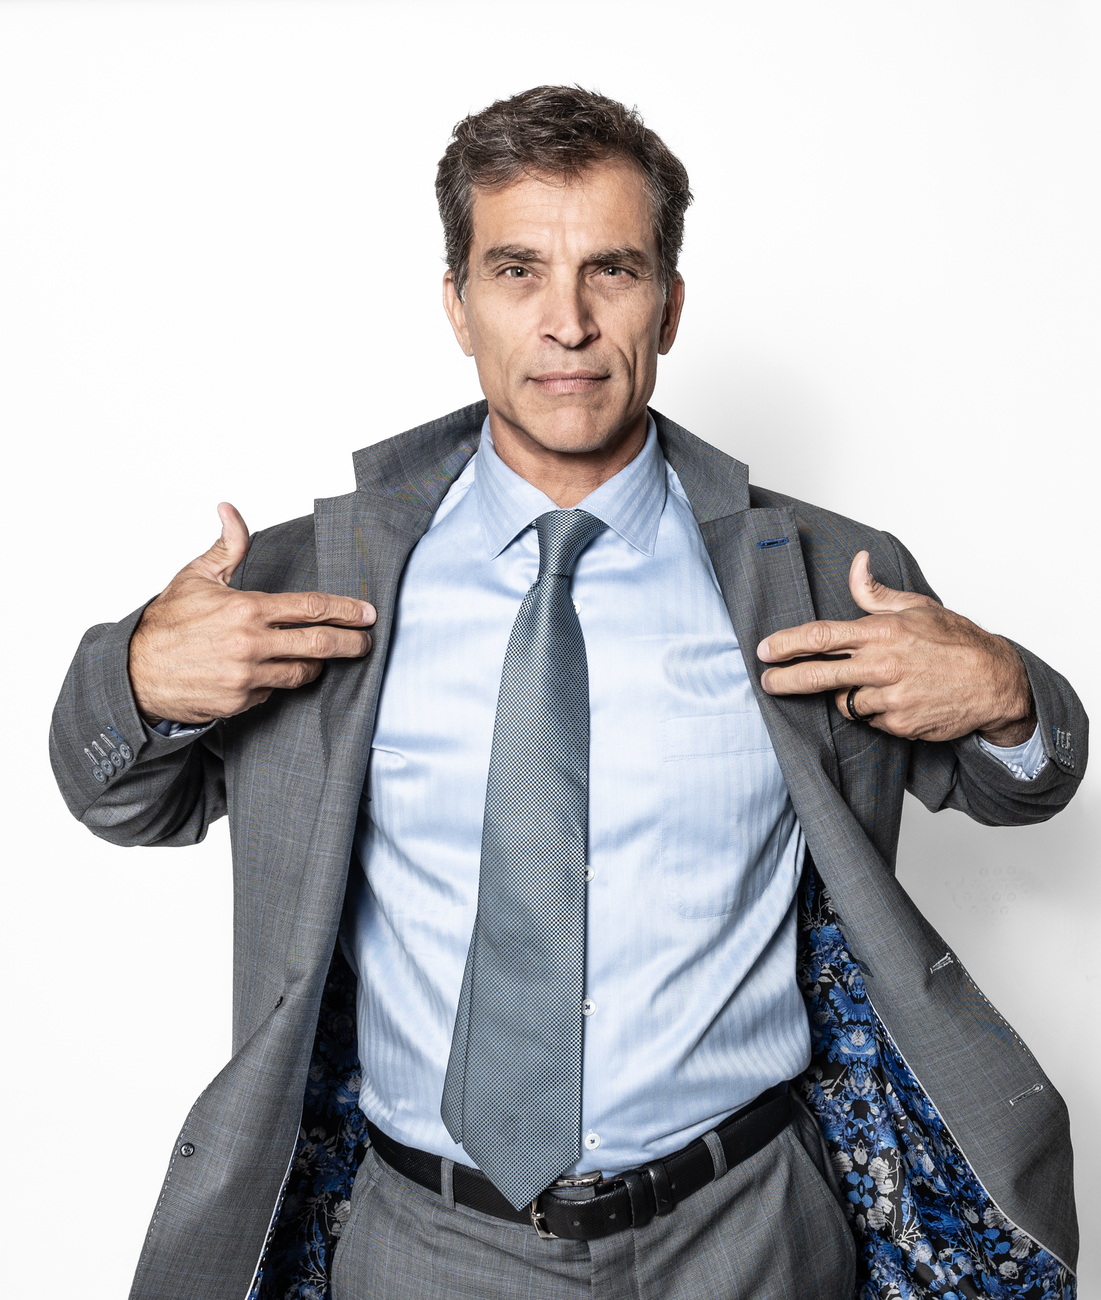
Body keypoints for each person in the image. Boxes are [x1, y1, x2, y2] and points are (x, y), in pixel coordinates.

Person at [51, 87, 1087, 1300]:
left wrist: (1005, 694)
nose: (568, 322)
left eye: (613, 271)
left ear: (670, 304)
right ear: (457, 303)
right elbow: (116, 794)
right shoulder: (308, 582)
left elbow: (1026, 782)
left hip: (746, 1230)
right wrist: (139, 677)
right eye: (517, 272)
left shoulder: (819, 573)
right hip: (425, 1245)